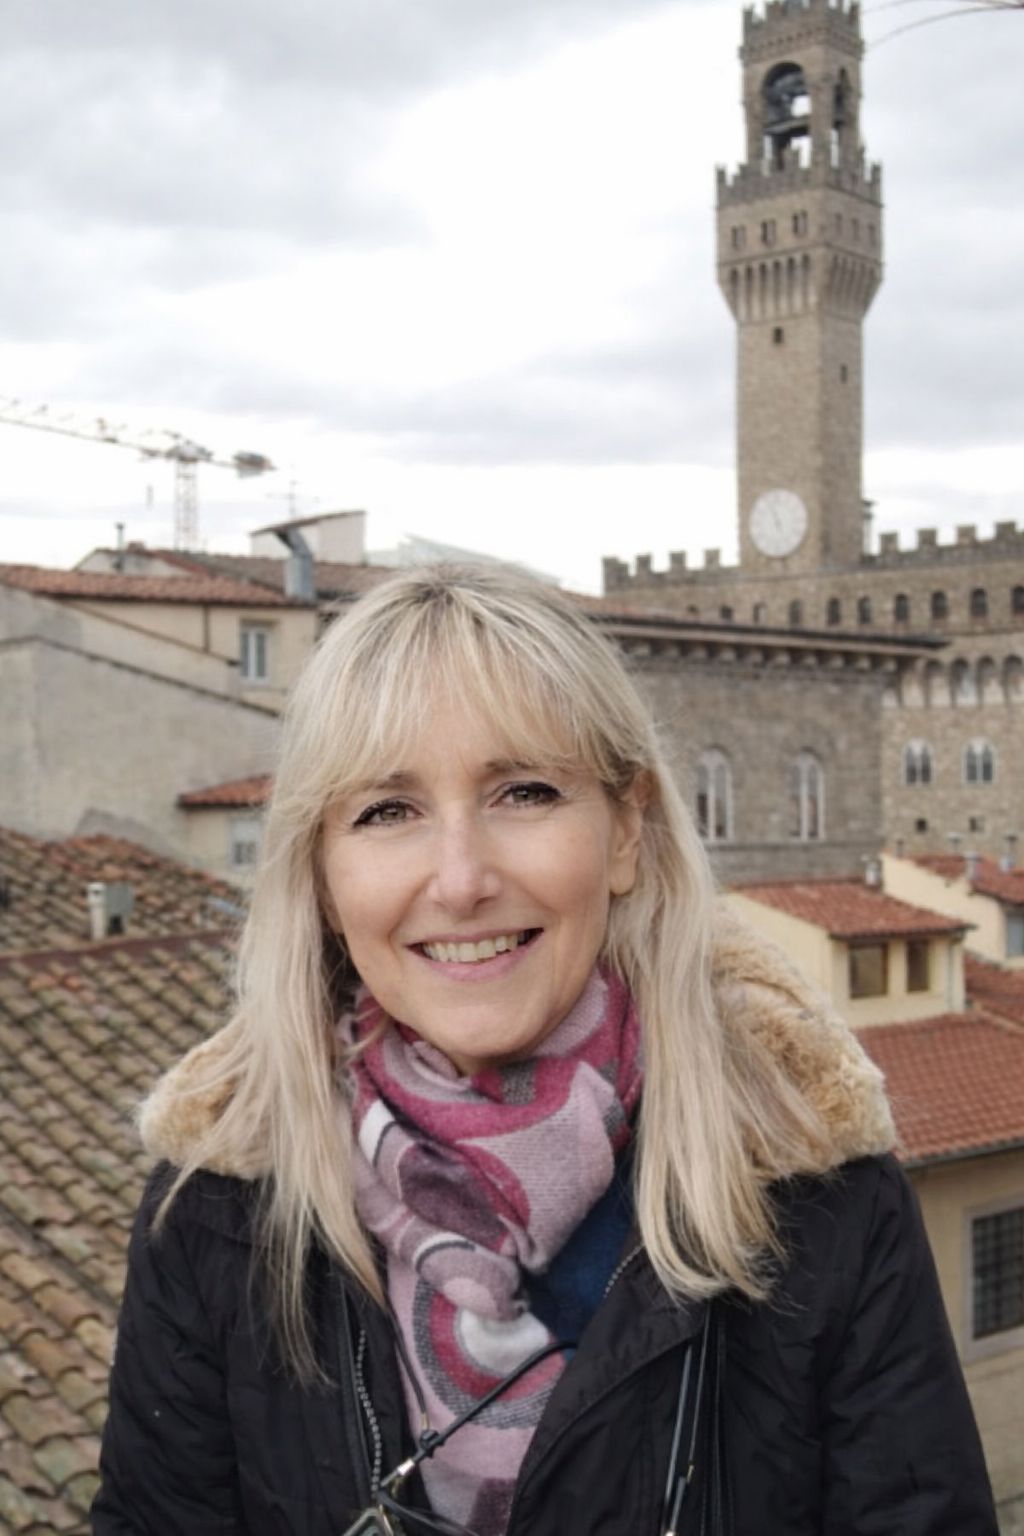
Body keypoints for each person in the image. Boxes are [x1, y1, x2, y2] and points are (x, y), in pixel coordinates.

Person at [92, 564, 997, 1536]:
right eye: (387, 811)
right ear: (320, 872)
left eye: (523, 792)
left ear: (626, 831)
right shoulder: (215, 1214)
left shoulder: (817, 1194)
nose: (461, 880)